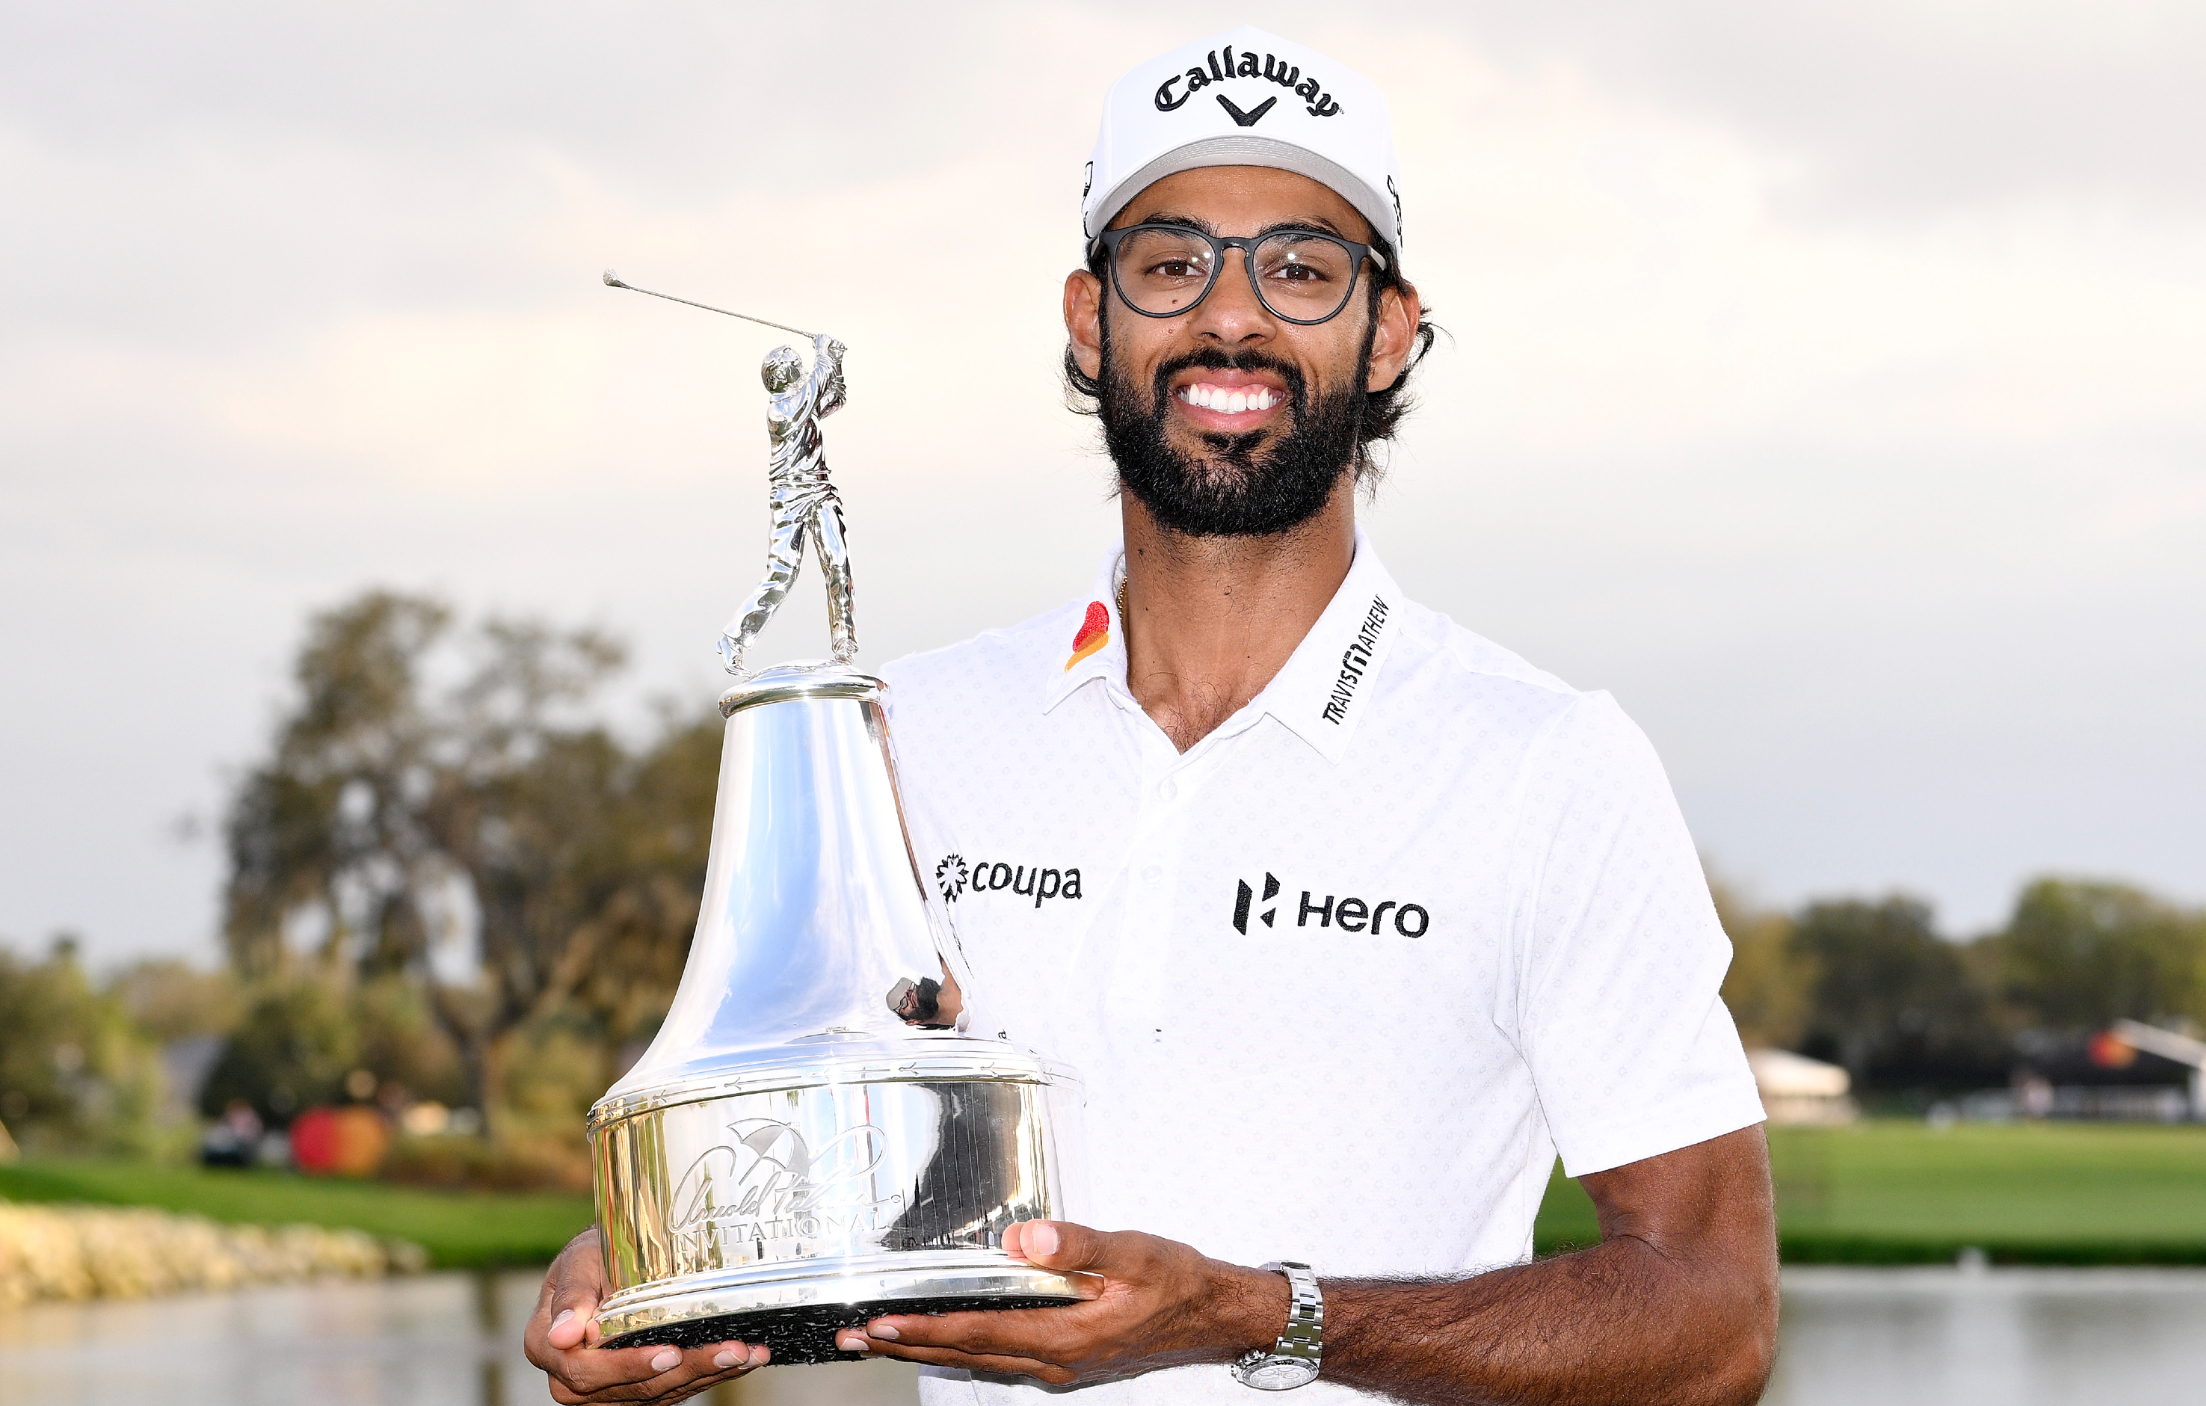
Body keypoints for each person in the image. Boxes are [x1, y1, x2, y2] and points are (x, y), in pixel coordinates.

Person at [528, 25, 1776, 1406]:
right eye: (1171, 262)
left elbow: (1714, 1323)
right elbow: (832, 1164)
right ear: (1090, 316)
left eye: (1302, 268)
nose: (1231, 319)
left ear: (1388, 332)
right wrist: (659, 1269)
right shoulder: (911, 731)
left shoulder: (1548, 763)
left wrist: (1250, 1315)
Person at [718, 331, 855, 674]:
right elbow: (815, 387)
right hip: (789, 498)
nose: (804, 371)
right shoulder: (782, 410)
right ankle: (733, 638)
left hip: (820, 491)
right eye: (799, 366)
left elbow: (834, 398)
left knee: (837, 562)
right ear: (788, 376)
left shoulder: (803, 404)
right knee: (782, 573)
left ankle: (844, 640)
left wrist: (835, 361)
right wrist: (823, 352)